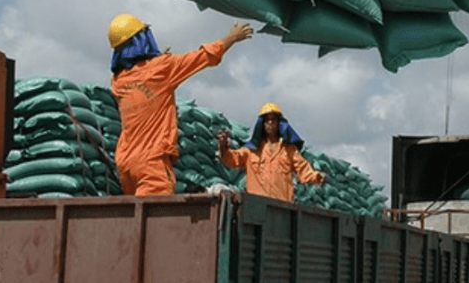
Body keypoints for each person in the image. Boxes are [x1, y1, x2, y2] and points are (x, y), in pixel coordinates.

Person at [108, 12, 253, 196]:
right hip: (152, 162)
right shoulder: (162, 68)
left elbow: (141, 82)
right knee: (155, 220)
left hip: (126, 163)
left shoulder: (118, 82)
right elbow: (202, 57)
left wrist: (155, 61)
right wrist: (231, 38)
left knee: (137, 219)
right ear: (142, 39)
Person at [217, 102, 325, 202]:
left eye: (273, 119)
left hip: (282, 207)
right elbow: (231, 159)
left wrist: (316, 176)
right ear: (262, 124)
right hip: (256, 205)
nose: (270, 123)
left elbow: (303, 168)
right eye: (267, 120)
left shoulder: (288, 149)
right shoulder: (252, 150)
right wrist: (223, 147)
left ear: (279, 123)